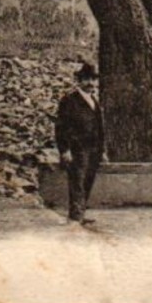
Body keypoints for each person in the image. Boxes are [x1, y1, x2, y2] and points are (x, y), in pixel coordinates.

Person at [54, 61, 105, 225]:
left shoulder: (94, 101)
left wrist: (102, 150)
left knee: (88, 180)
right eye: (86, 79)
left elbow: (100, 127)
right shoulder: (69, 101)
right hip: (77, 149)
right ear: (79, 81)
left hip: (94, 149)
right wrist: (65, 150)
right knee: (77, 181)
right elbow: (61, 127)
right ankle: (75, 216)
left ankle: (80, 213)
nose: (90, 83)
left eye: (93, 79)